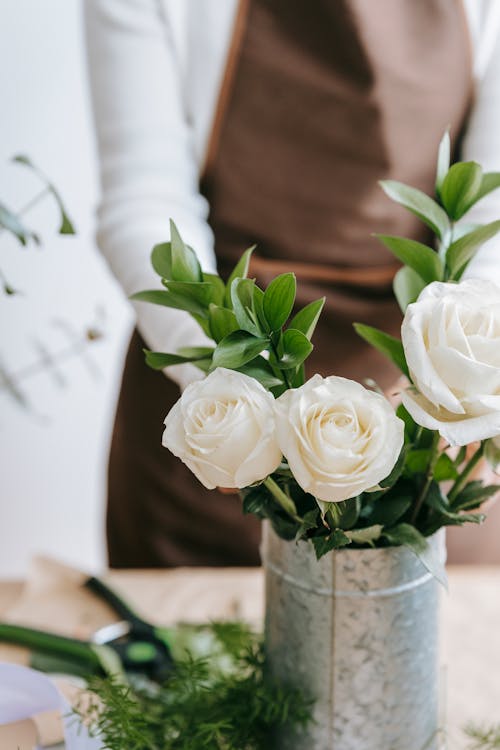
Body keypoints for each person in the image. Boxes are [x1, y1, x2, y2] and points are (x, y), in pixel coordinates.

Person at [85, 0, 500, 567]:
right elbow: (142, 201)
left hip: (427, 409)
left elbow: (493, 205)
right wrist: (223, 387)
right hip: (215, 382)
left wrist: (457, 376)